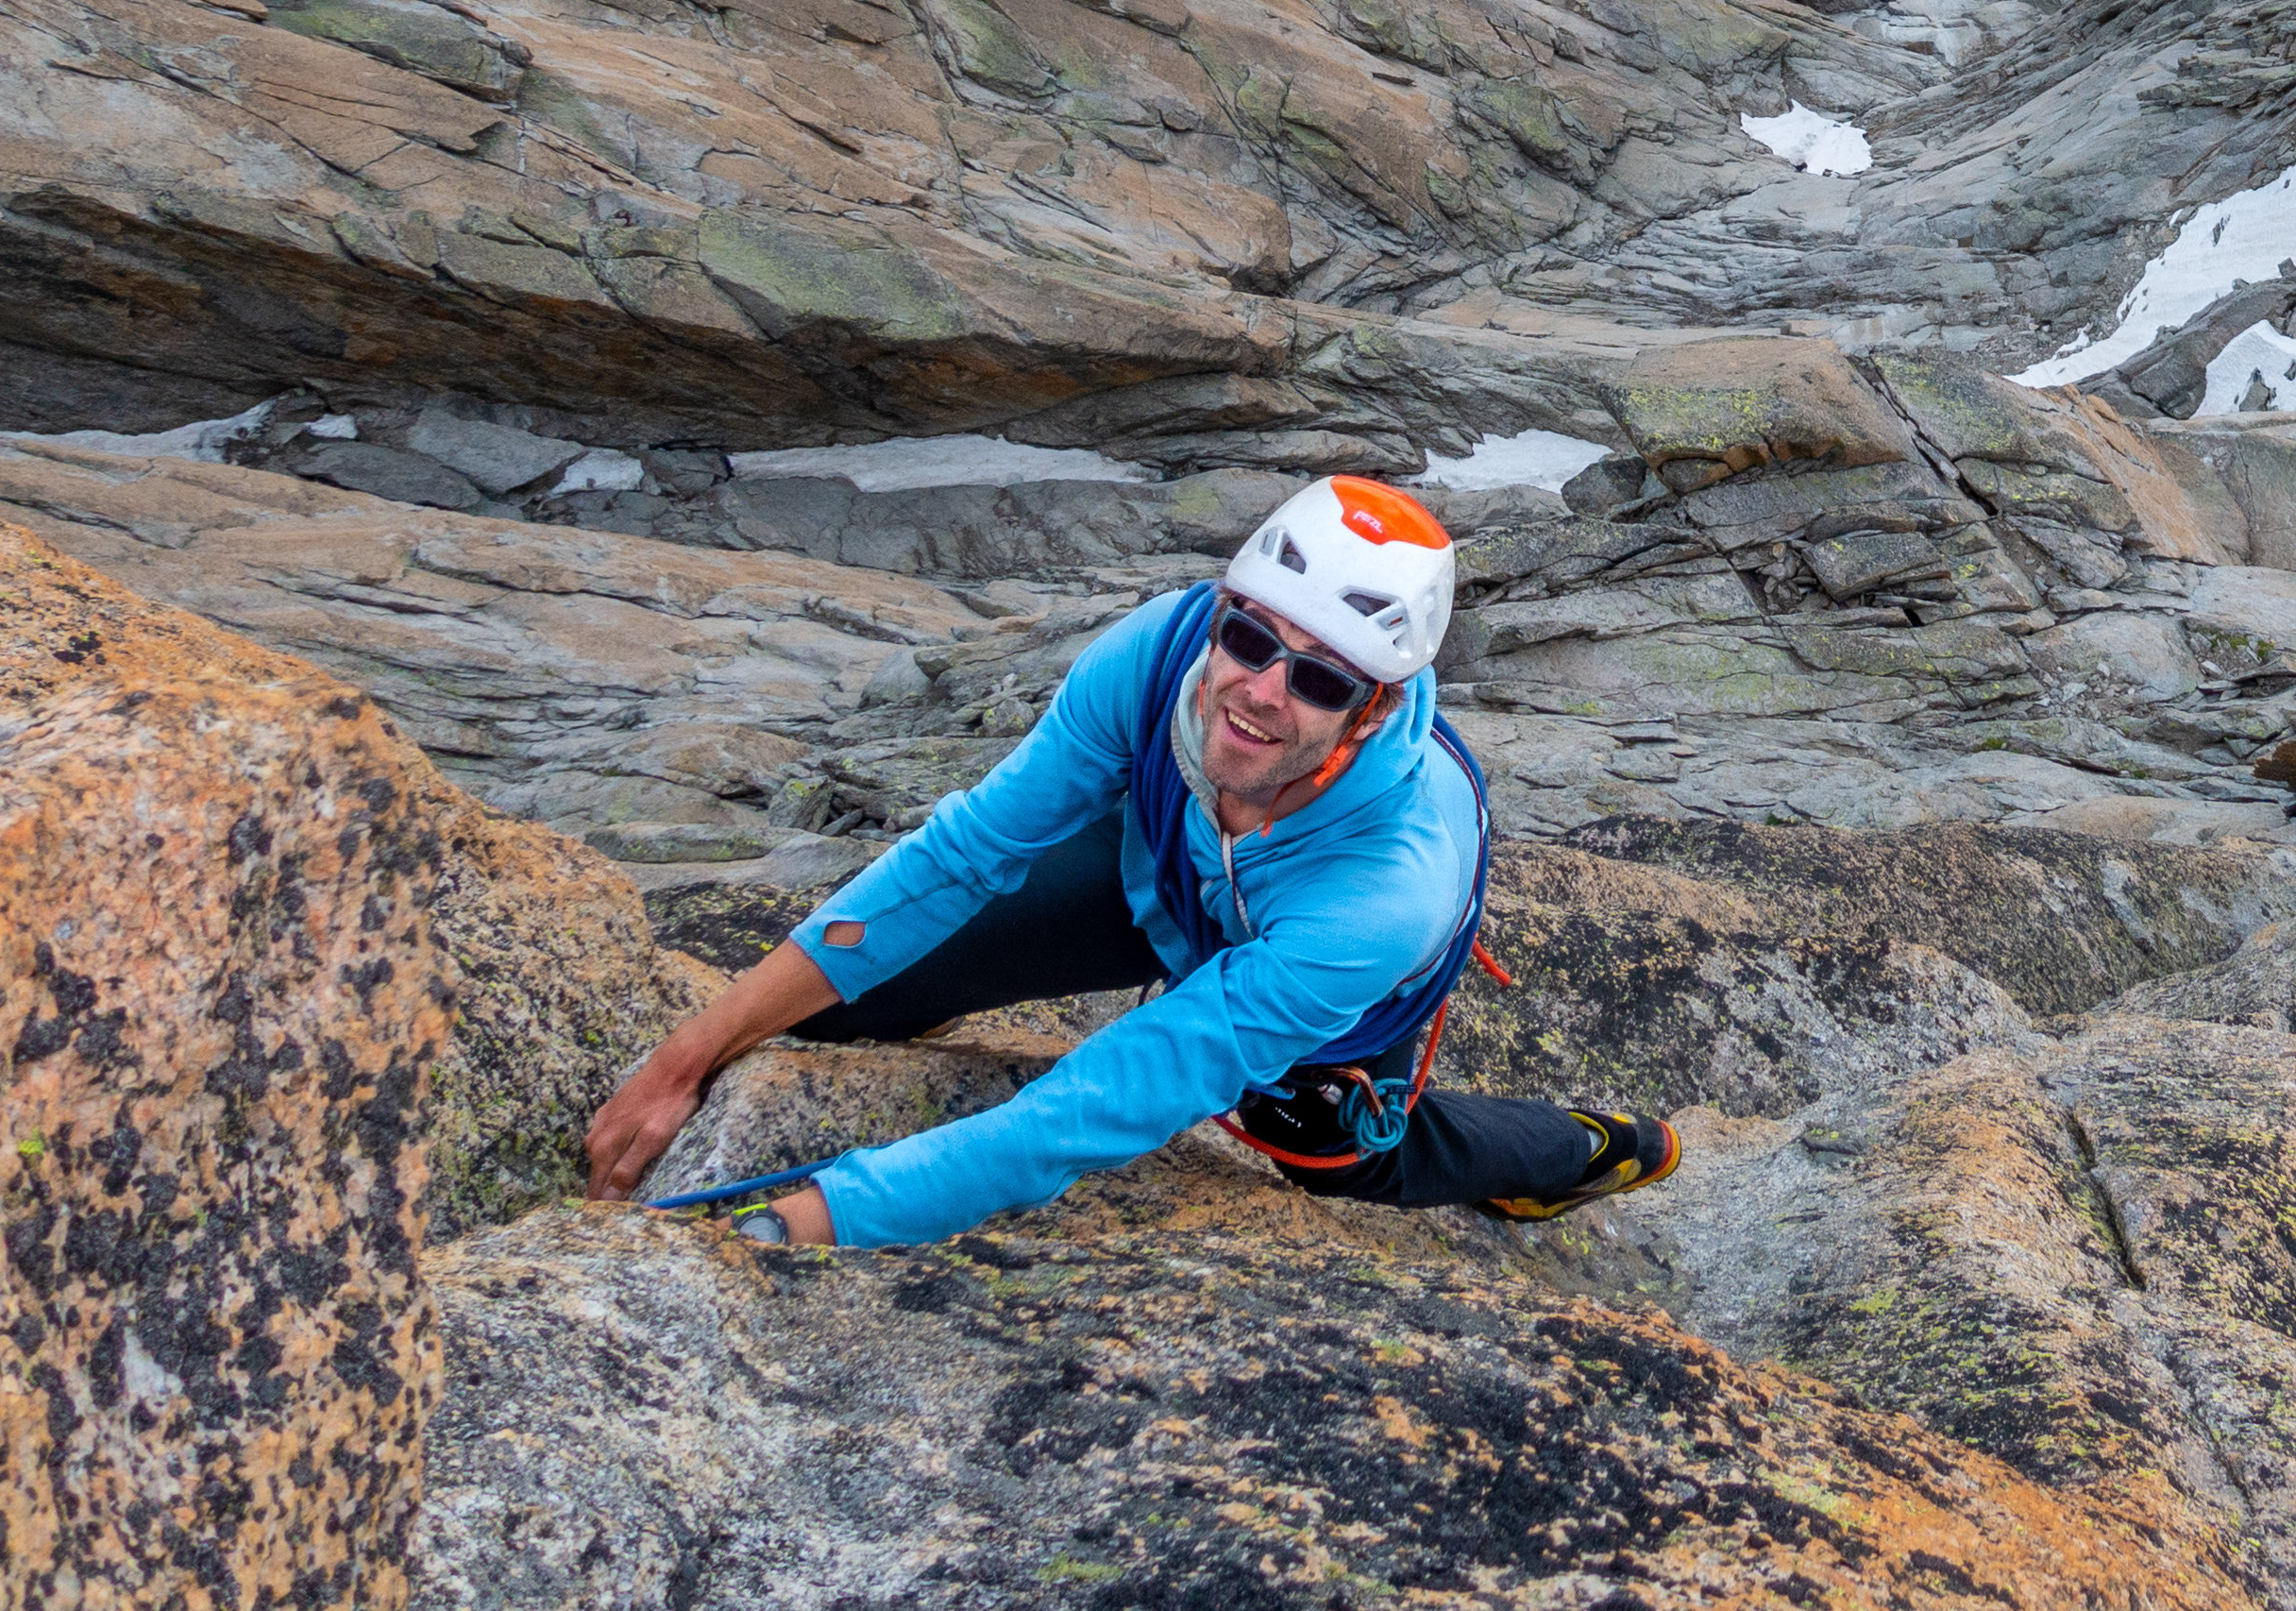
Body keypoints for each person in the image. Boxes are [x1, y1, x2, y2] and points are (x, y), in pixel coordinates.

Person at [582, 473, 1677, 1246]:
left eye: (1320, 680)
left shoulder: (1381, 894)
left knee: (1340, 1161)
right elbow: (964, 851)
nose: (1258, 691)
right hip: (1159, 876)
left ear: (1373, 707)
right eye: (1248, 639)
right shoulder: (1159, 653)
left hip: (1316, 981)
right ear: (1222, 615)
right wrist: (687, 1057)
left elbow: (1101, 1100)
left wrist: (816, 1216)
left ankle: (1581, 1150)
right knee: (846, 998)